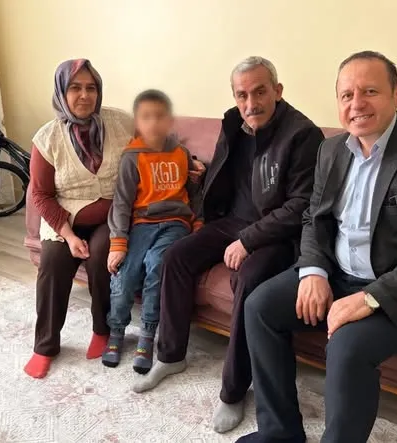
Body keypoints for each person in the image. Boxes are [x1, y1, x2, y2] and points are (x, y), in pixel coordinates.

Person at [237, 51, 397, 443]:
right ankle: (279, 433)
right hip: (337, 273)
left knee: (346, 347)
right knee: (258, 306)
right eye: (347, 95)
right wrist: (313, 271)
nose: (357, 104)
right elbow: (314, 218)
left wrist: (369, 298)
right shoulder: (331, 150)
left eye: (370, 91)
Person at [132, 56, 325, 434]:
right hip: (231, 221)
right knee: (176, 257)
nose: (251, 103)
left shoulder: (303, 135)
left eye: (259, 92)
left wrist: (248, 240)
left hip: (277, 234)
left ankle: (234, 390)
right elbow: (226, 174)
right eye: (242, 95)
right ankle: (170, 355)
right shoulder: (234, 122)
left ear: (277, 91)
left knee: (248, 279)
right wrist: (203, 186)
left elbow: (301, 205)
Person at [23, 58, 135, 379]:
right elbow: (41, 195)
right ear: (62, 92)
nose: (85, 95)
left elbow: (154, 146)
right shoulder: (47, 138)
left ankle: (103, 329)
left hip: (111, 216)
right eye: (75, 88)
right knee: (52, 263)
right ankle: (45, 345)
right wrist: (69, 236)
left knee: (102, 255)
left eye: (91, 88)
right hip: (64, 220)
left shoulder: (120, 123)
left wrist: (186, 161)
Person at [102, 89, 203, 375]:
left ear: (170, 121)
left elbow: (194, 193)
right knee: (125, 272)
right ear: (137, 122)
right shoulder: (131, 157)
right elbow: (121, 203)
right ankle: (116, 331)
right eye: (146, 117)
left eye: (160, 116)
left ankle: (147, 334)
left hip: (175, 223)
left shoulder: (181, 154)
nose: (154, 123)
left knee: (157, 266)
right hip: (141, 224)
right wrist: (118, 243)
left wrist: (198, 223)